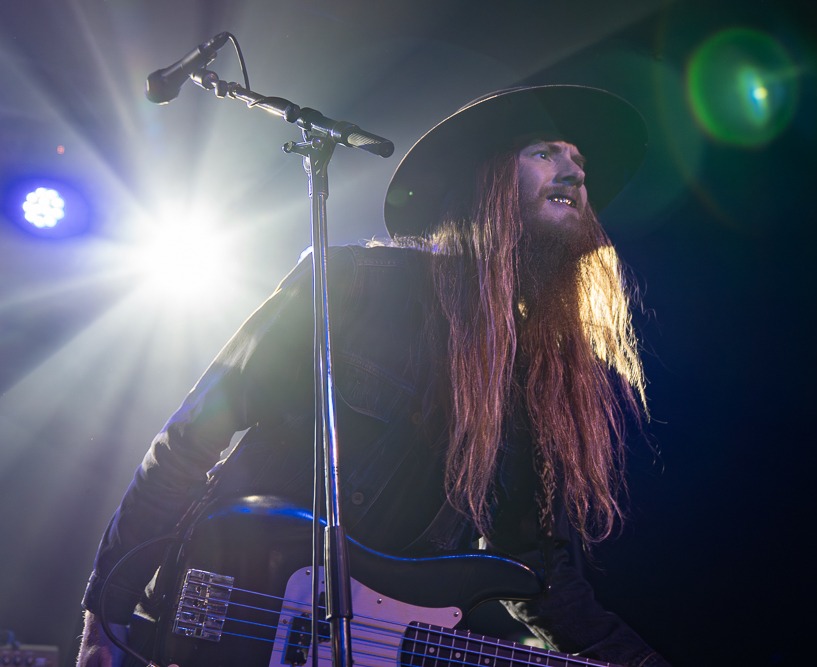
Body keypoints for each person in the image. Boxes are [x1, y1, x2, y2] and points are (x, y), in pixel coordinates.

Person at [76, 85, 670, 667]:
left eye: (579, 162)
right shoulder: (350, 284)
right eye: (544, 153)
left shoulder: (530, 371)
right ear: (483, 183)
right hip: (224, 610)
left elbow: (538, 574)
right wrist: (106, 614)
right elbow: (188, 442)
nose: (574, 173)